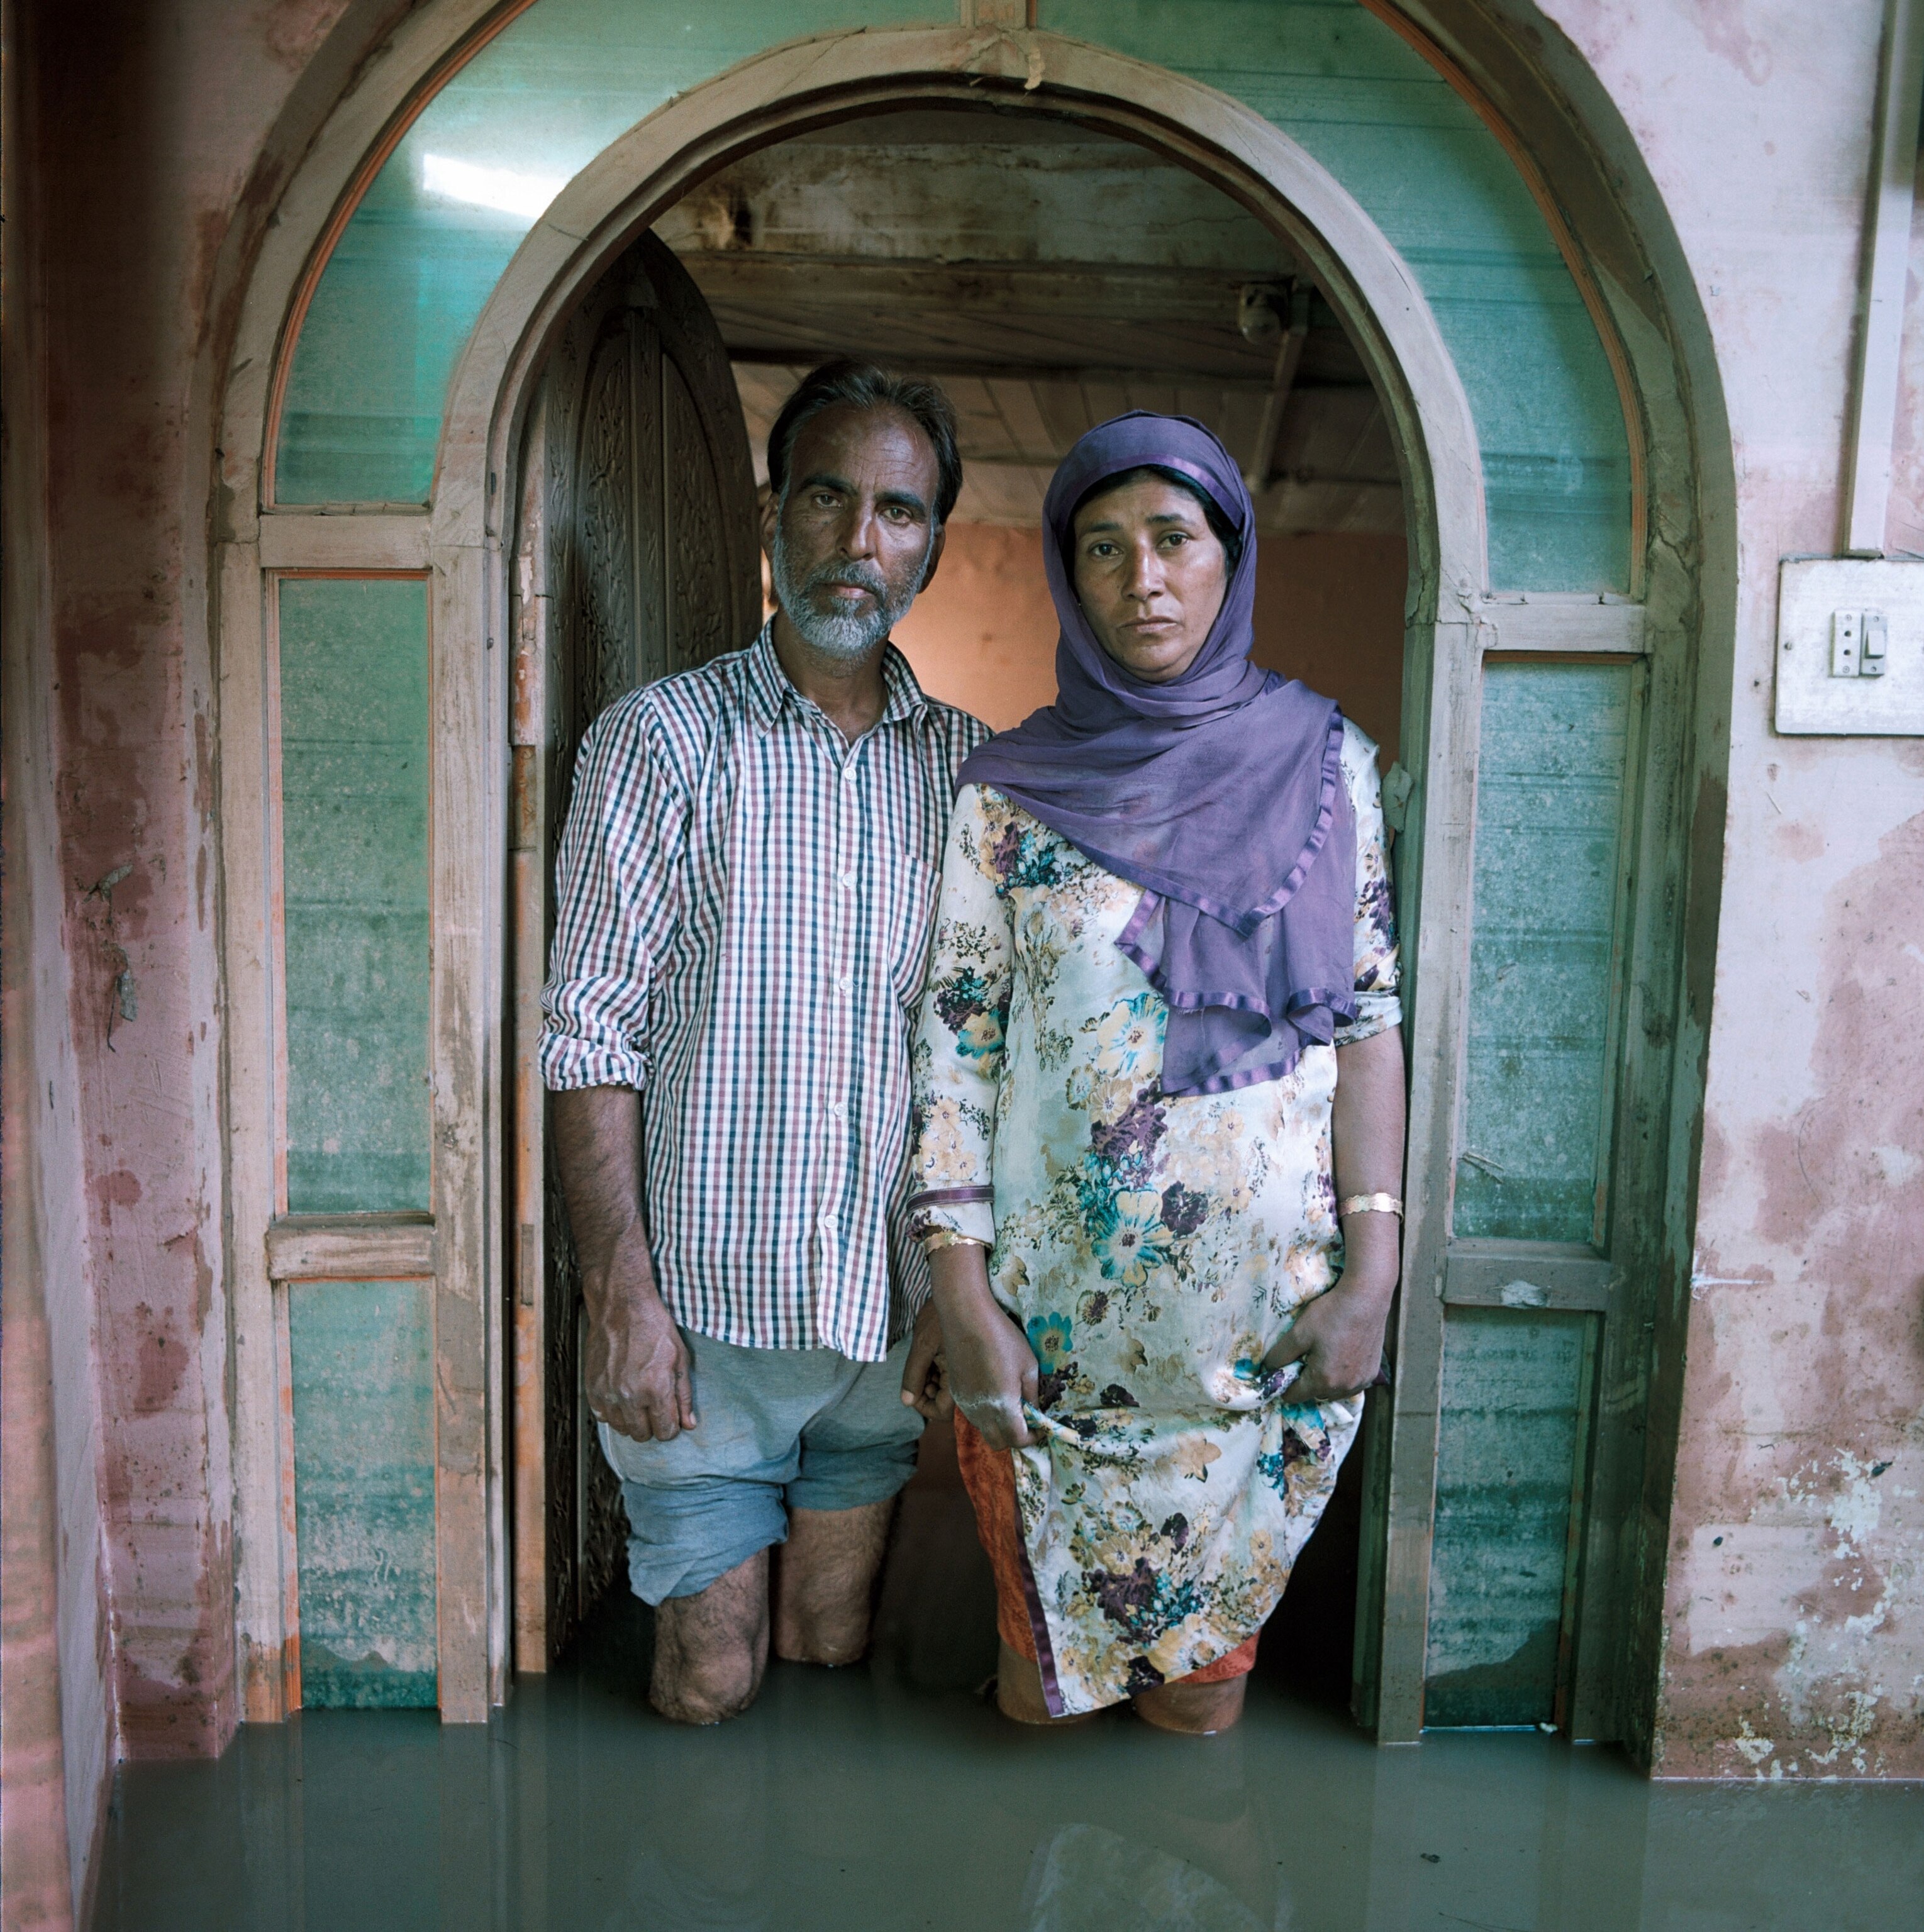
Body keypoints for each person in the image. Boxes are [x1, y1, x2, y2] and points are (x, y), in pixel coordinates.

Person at [901, 412, 1406, 1733]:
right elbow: (955, 1043)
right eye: (1106, 548)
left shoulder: (1329, 771)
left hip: (1256, 1353)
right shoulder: (1005, 799)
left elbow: (1367, 1032)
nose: (1145, 579)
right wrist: (958, 1288)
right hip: (1047, 1346)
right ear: (1071, 575)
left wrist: (1374, 1280)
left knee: (1198, 1718)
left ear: (1228, 556)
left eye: (1174, 540)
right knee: (1037, 1691)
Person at [542, 360, 986, 1725]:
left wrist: (965, 1302)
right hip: (705, 1311)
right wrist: (617, 1292)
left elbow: (997, 1048)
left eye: (900, 513)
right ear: (771, 514)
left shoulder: (975, 770)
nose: (861, 544)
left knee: (833, 1644)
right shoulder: (661, 740)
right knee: (708, 1678)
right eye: (829, 499)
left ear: (930, 544)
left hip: (886, 1314)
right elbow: (586, 1030)